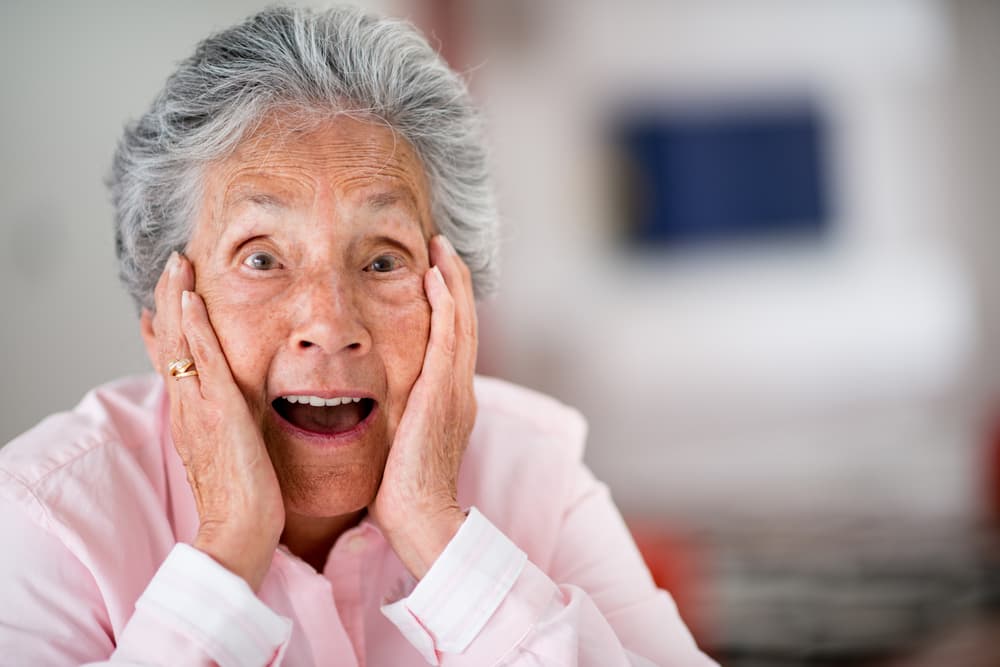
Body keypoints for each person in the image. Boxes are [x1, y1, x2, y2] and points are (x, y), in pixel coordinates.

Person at [0, 6, 716, 666]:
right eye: (261, 258)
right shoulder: (45, 519)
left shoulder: (536, 476)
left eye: (382, 259)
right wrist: (226, 553)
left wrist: (438, 528)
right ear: (164, 325)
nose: (330, 324)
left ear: (454, 299)